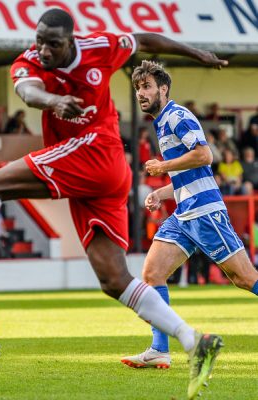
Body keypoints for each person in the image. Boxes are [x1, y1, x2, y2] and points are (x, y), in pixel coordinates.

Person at [0, 10, 227, 399]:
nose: (43, 49)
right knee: (114, 279)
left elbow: (146, 40)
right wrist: (53, 100)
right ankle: (194, 341)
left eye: (52, 43)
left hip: (96, 150)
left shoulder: (100, 47)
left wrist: (197, 54)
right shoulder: (31, 60)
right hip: (102, 172)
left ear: (70, 41)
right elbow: (27, 92)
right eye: (39, 40)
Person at [121, 60, 258, 375]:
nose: (141, 93)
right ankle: (159, 350)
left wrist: (162, 166)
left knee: (244, 278)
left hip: (205, 211)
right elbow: (188, 173)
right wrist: (161, 193)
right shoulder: (161, 123)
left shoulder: (177, 115)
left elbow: (204, 155)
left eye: (146, 87)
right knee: (152, 274)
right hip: (184, 212)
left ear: (163, 89)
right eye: (138, 88)